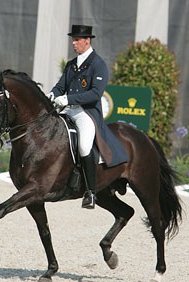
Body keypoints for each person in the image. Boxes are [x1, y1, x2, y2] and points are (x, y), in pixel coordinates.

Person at [47, 25, 112, 209]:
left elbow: (94, 94)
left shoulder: (98, 64)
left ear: (87, 41)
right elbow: (61, 86)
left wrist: (68, 98)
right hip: (68, 109)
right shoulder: (71, 64)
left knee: (84, 145)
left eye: (76, 40)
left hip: (87, 112)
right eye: (72, 40)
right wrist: (52, 94)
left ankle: (90, 192)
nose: (73, 43)